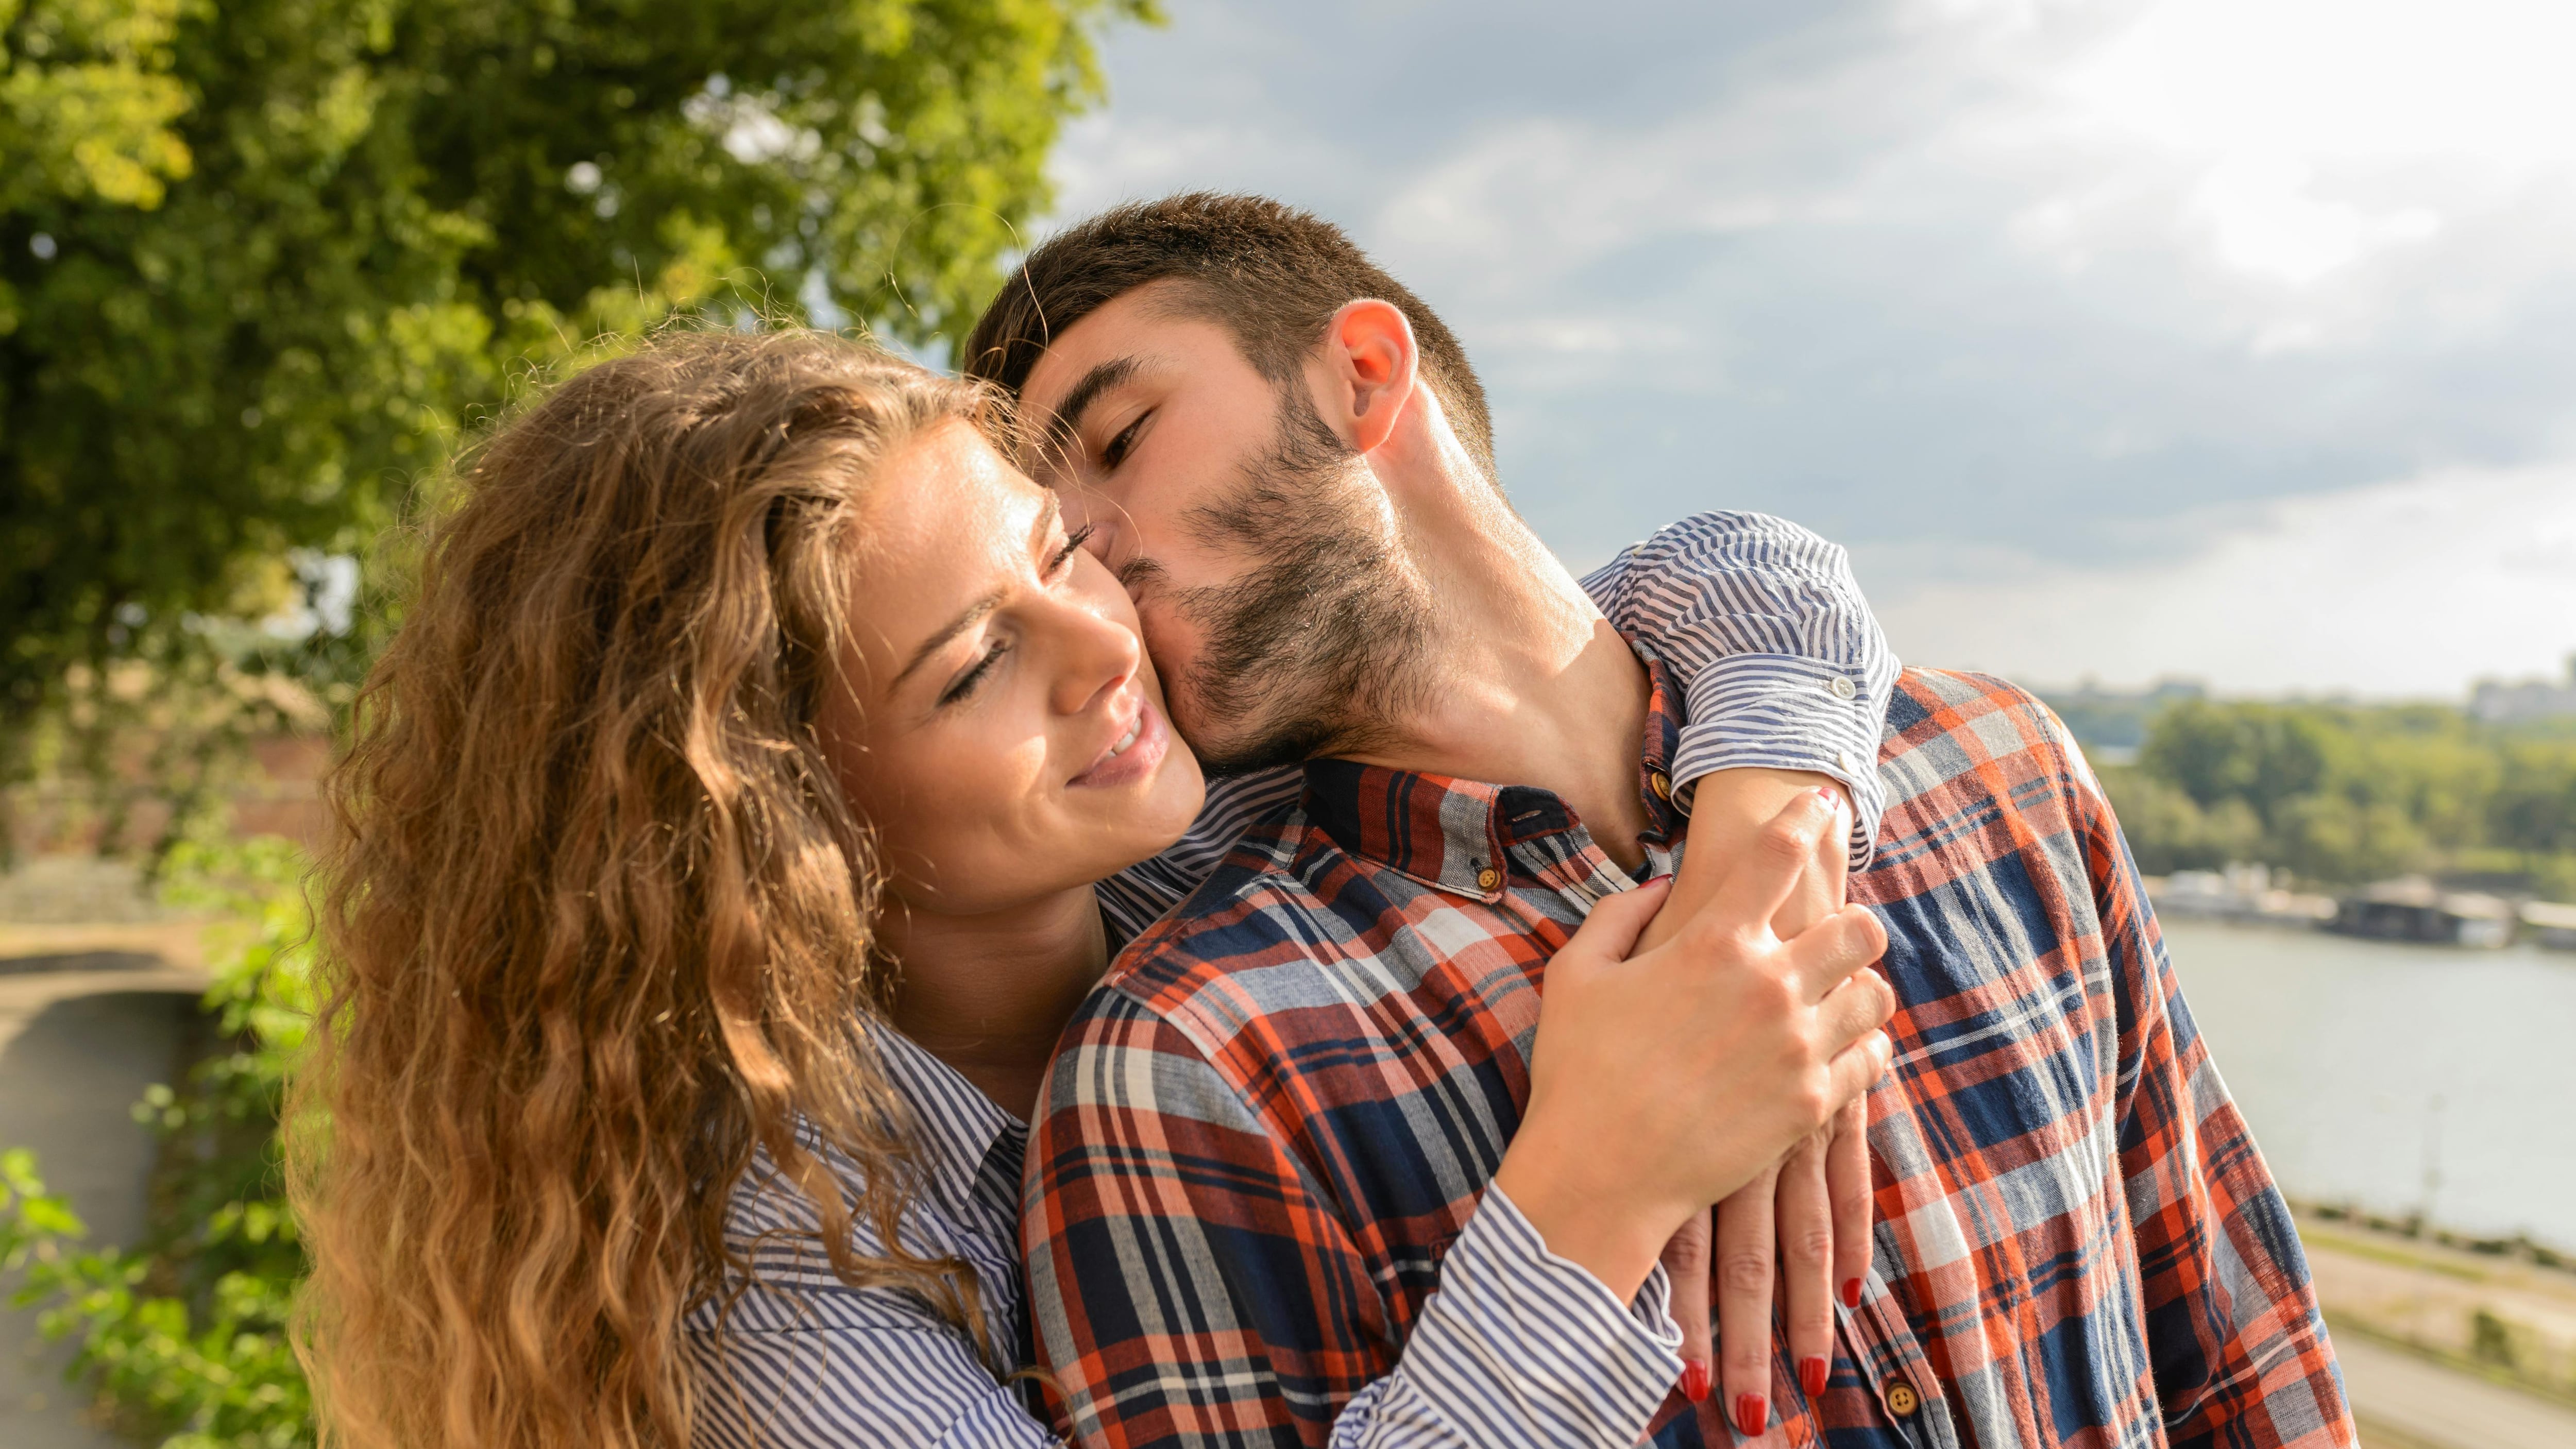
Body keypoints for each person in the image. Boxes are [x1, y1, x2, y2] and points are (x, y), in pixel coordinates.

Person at [289, 326, 1904, 1449]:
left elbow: (1716, 583)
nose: (1108, 647)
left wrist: (1765, 841)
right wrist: (1596, 1192)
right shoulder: (776, 1298)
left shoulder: (1189, 832)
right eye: (978, 663)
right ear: (773, 826)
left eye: (1057, 557)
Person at [968, 194, 2359, 1449]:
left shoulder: (2003, 775)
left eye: (1121, 438)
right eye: (1046, 529)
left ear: (1364, 377)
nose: (1086, 552)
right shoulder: (1187, 1066)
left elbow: (2243, 1367)